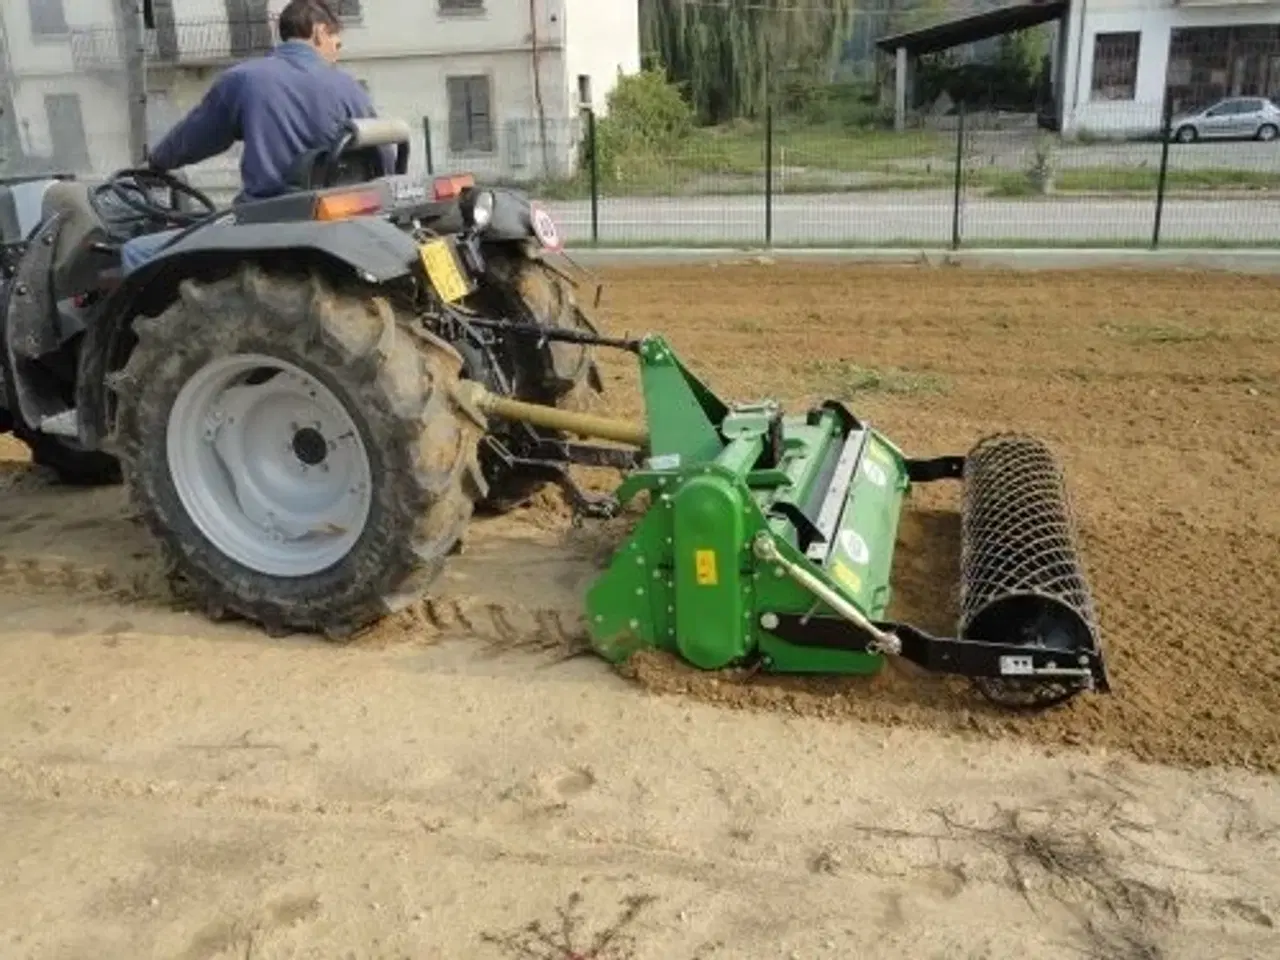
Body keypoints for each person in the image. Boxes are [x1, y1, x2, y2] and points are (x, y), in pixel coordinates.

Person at [121, 0, 391, 274]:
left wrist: (156, 163)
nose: (337, 50)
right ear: (319, 32)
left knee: (136, 251)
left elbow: (193, 138)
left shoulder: (244, 80)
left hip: (263, 226)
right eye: (337, 41)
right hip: (340, 227)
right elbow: (384, 161)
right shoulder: (349, 88)